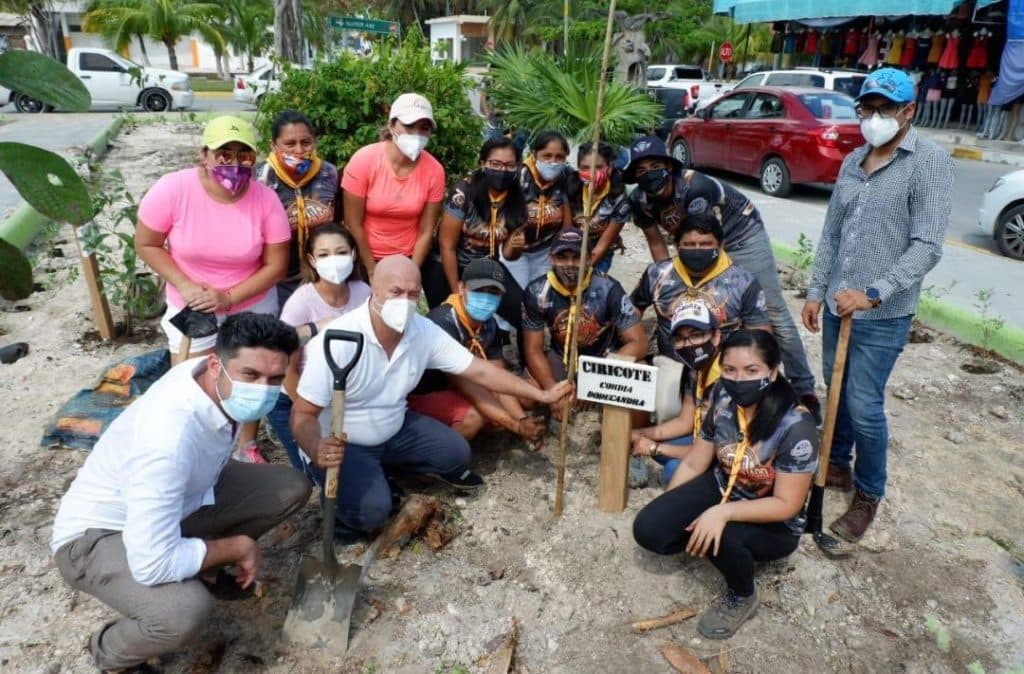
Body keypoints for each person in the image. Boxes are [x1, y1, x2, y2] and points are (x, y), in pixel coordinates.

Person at [50, 313, 311, 671]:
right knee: (182, 613)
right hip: (99, 536)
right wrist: (237, 546)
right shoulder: (168, 438)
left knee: (289, 487)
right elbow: (151, 563)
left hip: (179, 499)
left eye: (275, 379)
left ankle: (198, 564)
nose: (263, 389)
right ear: (216, 363)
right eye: (251, 375)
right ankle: (109, 651)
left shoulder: (206, 378)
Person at [291, 256, 572, 542]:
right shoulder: (339, 339)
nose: (405, 301)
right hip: (346, 441)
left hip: (394, 426)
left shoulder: (422, 332)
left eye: (413, 294)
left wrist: (541, 394)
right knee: (372, 514)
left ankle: (383, 472)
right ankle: (346, 501)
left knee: (456, 454)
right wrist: (316, 446)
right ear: (374, 288)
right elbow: (302, 414)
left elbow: (482, 372)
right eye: (396, 292)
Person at [802, 67, 954, 542]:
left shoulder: (927, 162)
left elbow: (927, 245)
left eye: (885, 110)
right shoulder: (853, 161)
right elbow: (832, 233)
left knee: (865, 405)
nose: (874, 118)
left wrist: (874, 292)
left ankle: (869, 493)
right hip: (835, 306)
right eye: (867, 109)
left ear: (909, 111)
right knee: (837, 391)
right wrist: (815, 291)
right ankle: (837, 467)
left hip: (883, 314)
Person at [633, 329, 818, 639]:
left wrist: (721, 514)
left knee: (725, 536)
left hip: (773, 519)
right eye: (730, 369)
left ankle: (743, 594)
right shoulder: (721, 395)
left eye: (752, 370)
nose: (738, 379)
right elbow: (695, 461)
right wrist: (671, 505)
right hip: (724, 486)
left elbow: (788, 504)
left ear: (772, 373)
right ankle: (707, 539)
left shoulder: (796, 426)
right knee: (649, 529)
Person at [624, 135, 819, 419]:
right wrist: (670, 282)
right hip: (695, 243)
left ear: (669, 165)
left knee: (771, 310)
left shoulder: (695, 188)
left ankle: (802, 388)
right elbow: (657, 244)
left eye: (655, 165)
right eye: (640, 170)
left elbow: (710, 241)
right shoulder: (639, 200)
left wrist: (717, 286)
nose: (648, 174)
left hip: (739, 236)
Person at [136, 115, 290, 365]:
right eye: (224, 154)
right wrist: (184, 285)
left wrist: (228, 298)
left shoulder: (266, 200)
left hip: (251, 302)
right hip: (192, 303)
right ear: (204, 155)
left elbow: (276, 266)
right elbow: (147, 244)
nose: (235, 162)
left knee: (249, 377)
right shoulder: (173, 189)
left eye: (244, 155)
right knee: (190, 381)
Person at [268, 225, 372, 472]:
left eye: (341, 252)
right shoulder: (301, 302)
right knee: (320, 468)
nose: (333, 260)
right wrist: (303, 412)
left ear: (354, 255)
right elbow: (287, 367)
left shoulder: (364, 293)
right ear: (312, 261)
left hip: (343, 392)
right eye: (324, 255)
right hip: (297, 397)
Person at [409, 258, 545, 445]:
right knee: (474, 417)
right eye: (479, 290)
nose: (487, 298)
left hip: (466, 386)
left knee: (528, 392)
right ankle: (434, 455)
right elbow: (470, 388)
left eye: (494, 292)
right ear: (462, 288)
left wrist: (521, 419)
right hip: (424, 396)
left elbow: (497, 376)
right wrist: (515, 425)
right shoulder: (442, 322)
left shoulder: (489, 323)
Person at [521, 228, 648, 420]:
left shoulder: (608, 288)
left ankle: (633, 441)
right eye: (562, 257)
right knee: (526, 396)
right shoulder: (536, 292)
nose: (570, 264)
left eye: (577, 257)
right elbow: (533, 350)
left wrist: (594, 381)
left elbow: (639, 343)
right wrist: (551, 390)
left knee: (640, 379)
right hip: (562, 358)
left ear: (589, 258)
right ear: (551, 258)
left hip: (603, 358)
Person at [631, 212, 771, 358]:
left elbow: (760, 336)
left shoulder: (743, 282)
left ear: (721, 245)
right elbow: (632, 311)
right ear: (677, 246)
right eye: (689, 245)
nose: (697, 250)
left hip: (722, 367)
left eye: (705, 244)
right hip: (670, 364)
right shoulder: (657, 274)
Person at [426, 137, 527, 335]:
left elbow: (508, 254)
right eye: (495, 164)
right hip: (447, 264)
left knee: (523, 313)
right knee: (448, 320)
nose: (502, 171)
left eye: (509, 165)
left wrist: (516, 246)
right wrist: (457, 291)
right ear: (482, 164)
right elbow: (447, 246)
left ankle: (523, 362)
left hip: (487, 265)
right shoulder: (463, 192)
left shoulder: (517, 197)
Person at [342, 93, 444, 277]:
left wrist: (411, 270)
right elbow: (352, 223)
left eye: (424, 128)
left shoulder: (434, 171)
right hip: (364, 258)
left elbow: (426, 229)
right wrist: (372, 271)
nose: (417, 134)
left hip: (410, 258)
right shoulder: (364, 160)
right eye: (409, 126)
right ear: (392, 125)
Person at [255, 109, 341, 308]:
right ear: (273, 145)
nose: (299, 151)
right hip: (275, 281)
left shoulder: (329, 174)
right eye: (289, 144)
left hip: (322, 276)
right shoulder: (259, 179)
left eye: (306, 142)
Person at [631, 299, 723, 486]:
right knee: (649, 442)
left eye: (696, 335)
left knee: (674, 469)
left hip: (726, 453)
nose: (688, 344)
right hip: (701, 438)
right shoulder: (695, 369)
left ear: (716, 336)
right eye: (680, 339)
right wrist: (639, 433)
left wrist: (656, 448)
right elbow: (685, 421)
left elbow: (716, 451)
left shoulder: (731, 375)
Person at [501, 130, 574, 290]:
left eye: (559, 157)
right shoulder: (518, 177)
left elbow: (567, 222)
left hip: (545, 252)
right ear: (534, 154)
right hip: (514, 248)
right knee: (515, 295)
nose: (553, 162)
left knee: (539, 296)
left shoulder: (566, 178)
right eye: (546, 156)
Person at [566, 140, 631, 274]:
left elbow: (603, 246)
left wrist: (583, 270)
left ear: (610, 167)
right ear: (577, 168)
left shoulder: (620, 200)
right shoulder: (569, 187)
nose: (591, 173)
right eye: (585, 168)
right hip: (571, 246)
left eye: (599, 167)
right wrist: (570, 263)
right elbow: (566, 231)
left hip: (599, 251)